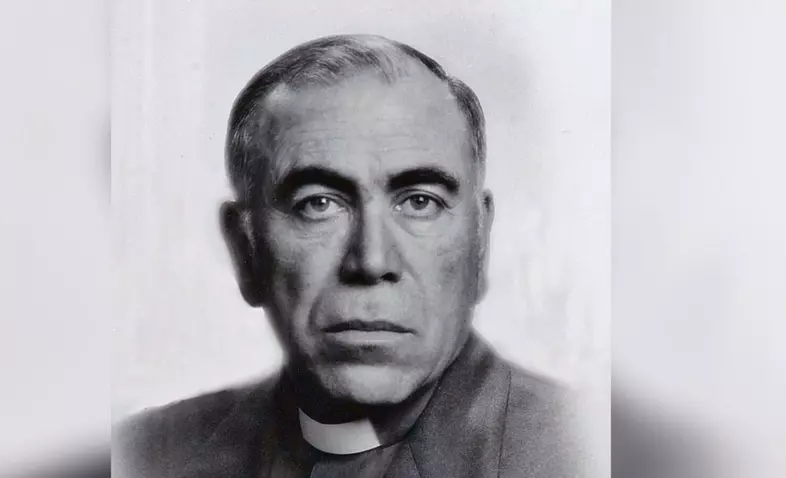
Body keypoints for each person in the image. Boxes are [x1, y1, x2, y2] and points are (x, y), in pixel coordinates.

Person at [116, 34, 579, 478]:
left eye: (420, 202)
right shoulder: (140, 457)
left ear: (480, 242)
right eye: (318, 204)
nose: (372, 261)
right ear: (245, 249)